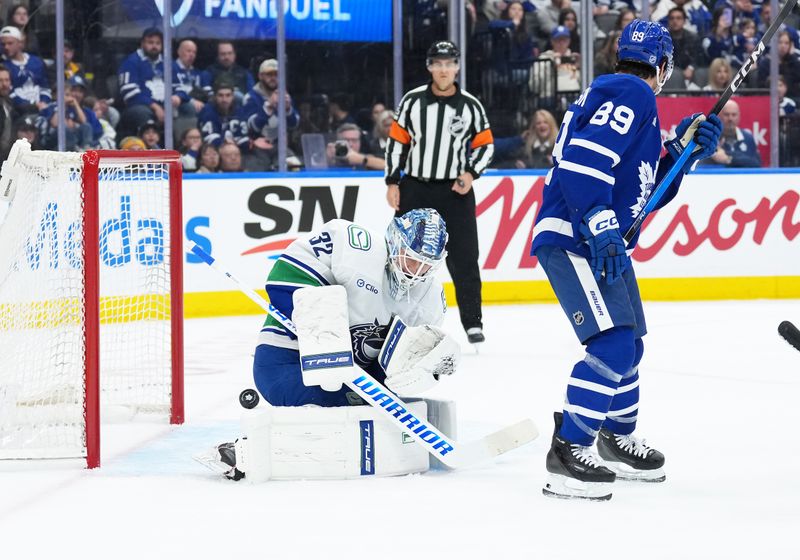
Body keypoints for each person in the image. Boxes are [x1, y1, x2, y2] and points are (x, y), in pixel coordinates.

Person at [530, 19, 722, 501]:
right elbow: (582, 163)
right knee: (613, 346)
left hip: (598, 238)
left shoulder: (627, 96)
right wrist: (597, 221)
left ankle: (615, 439)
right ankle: (569, 449)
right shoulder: (631, 92)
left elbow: (640, 195)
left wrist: (681, 156)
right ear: (664, 65)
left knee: (630, 345)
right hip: (576, 238)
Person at [199, 209, 452, 481]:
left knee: (371, 409)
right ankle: (246, 449)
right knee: (334, 405)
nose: (417, 271)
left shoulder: (430, 298)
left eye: (427, 264)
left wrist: (421, 368)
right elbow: (283, 277)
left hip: (351, 381)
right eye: (411, 259)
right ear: (395, 241)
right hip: (285, 360)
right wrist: (321, 327)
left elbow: (396, 367)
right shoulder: (355, 245)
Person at [385, 40, 494, 345]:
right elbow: (397, 143)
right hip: (416, 187)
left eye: (449, 64)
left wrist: (470, 174)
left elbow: (486, 145)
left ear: (457, 67)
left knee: (464, 257)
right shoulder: (412, 102)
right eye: (438, 64)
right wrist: (392, 181)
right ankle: (395, 315)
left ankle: (473, 322)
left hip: (454, 192)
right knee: (403, 254)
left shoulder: (470, 105)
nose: (444, 70)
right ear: (429, 67)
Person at [0, 25, 50, 111]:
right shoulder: (3, 67)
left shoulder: (37, 61)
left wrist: (43, 102)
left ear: (20, 43)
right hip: (19, 112)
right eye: (3, 44)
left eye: (10, 43)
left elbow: (45, 87)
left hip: (42, 108)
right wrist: (33, 105)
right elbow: (9, 94)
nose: (6, 47)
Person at [704, 99, 761, 167]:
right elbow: (701, 164)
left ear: (739, 116)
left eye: (734, 115)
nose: (730, 118)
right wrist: (713, 155)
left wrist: (728, 158)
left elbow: (756, 164)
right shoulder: (711, 137)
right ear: (719, 116)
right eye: (726, 114)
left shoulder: (748, 137)